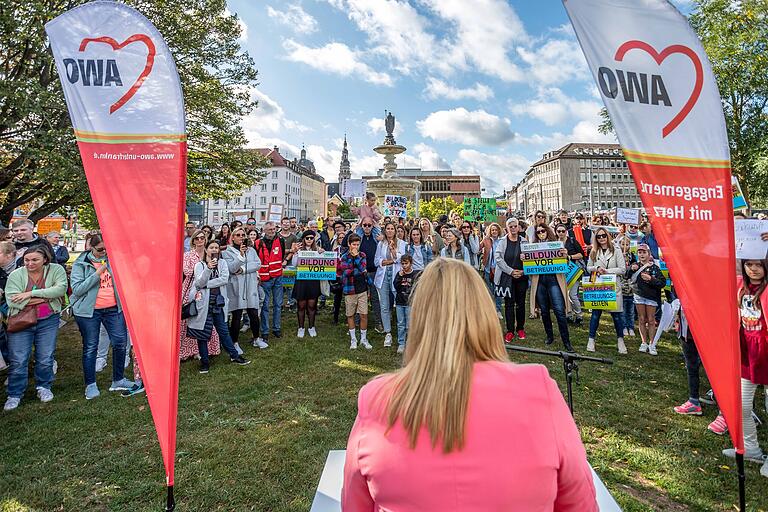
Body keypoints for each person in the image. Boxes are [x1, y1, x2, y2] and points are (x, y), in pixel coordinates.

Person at [341, 258, 598, 510]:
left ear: (420, 320)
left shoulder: (377, 398)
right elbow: (580, 501)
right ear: (484, 312)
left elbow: (354, 503)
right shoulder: (538, 387)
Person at [3, 247, 68, 411]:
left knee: (46, 356)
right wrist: (44, 296)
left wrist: (27, 294)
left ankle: (44, 386)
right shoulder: (16, 275)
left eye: (34, 260)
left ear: (45, 260)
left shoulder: (56, 269)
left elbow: (60, 289)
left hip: (48, 319)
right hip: (21, 321)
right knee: (18, 359)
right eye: (26, 260)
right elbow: (12, 301)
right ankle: (14, 394)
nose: (30, 263)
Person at [70, 234, 134, 399]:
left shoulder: (114, 260)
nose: (104, 252)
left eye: (107, 249)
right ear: (91, 247)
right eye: (100, 250)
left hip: (113, 309)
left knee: (120, 343)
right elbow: (77, 289)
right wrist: (97, 273)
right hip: (89, 312)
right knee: (91, 347)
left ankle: (118, 380)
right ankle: (90, 385)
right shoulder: (81, 264)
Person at [722, 259, 768, 478]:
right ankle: (752, 448)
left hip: (766, 353)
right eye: (749, 264)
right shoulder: (740, 285)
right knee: (742, 404)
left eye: (759, 264)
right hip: (747, 353)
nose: (754, 269)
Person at [185, 240, 250, 373]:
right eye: (211, 247)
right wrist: (208, 269)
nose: (214, 250)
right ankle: (204, 363)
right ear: (206, 250)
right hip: (203, 304)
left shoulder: (222, 263)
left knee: (224, 332)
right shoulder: (200, 265)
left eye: (216, 248)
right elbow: (199, 281)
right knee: (202, 334)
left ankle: (234, 356)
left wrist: (206, 284)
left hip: (218, 303)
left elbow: (224, 279)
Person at [523, 225, 574, 351]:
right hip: (539, 281)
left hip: (553, 280)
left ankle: (566, 341)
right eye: (538, 232)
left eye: (543, 231)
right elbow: (529, 267)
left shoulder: (556, 244)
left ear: (547, 231)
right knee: (544, 311)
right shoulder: (532, 247)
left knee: (559, 311)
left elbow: (565, 263)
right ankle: (549, 336)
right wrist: (524, 259)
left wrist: (565, 255)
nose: (540, 233)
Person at [221, 227, 266, 350]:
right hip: (236, 287)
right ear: (233, 237)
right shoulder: (226, 253)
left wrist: (244, 270)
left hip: (250, 286)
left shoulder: (251, 250)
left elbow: (257, 264)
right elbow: (232, 268)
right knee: (237, 314)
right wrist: (240, 256)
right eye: (238, 235)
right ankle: (234, 343)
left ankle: (256, 338)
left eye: (243, 235)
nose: (241, 237)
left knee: (253, 313)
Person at [179, 230, 221, 360]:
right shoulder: (188, 255)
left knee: (205, 318)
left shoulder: (210, 253)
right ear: (193, 241)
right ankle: (186, 351)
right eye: (197, 238)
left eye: (202, 237)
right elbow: (186, 270)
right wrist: (202, 268)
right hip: (190, 288)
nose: (200, 240)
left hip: (207, 289)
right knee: (188, 317)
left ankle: (205, 349)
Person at [586, 227, 627, 354]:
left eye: (603, 235)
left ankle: (620, 341)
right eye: (599, 236)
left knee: (616, 316)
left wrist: (607, 271)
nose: (602, 238)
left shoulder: (617, 250)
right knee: (595, 315)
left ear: (607, 236)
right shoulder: (594, 251)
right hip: (598, 286)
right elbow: (588, 267)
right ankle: (591, 340)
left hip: (613, 286)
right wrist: (596, 268)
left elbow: (622, 269)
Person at [627, 244, 666, 355]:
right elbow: (626, 275)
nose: (642, 254)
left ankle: (652, 344)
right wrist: (630, 269)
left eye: (644, 252)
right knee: (641, 319)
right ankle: (644, 342)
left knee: (651, 320)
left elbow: (662, 283)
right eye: (640, 252)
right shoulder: (635, 265)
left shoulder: (655, 268)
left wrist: (651, 279)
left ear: (649, 254)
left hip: (652, 297)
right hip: (639, 296)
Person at [494, 217, 528, 342]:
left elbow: (530, 258)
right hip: (508, 277)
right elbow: (498, 258)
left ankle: (520, 328)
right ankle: (510, 330)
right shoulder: (502, 242)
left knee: (521, 303)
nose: (513, 229)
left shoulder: (524, 241)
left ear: (518, 227)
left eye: (515, 226)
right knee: (509, 304)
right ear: (507, 228)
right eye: (511, 226)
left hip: (522, 277)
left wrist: (523, 270)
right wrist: (511, 271)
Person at [255, 222, 289, 343]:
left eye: (273, 229)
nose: (272, 231)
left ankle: (276, 328)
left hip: (277, 277)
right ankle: (265, 331)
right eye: (269, 229)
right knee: (265, 306)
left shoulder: (280, 241)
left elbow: (281, 256)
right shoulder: (258, 243)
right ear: (264, 230)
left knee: (278, 304)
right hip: (264, 279)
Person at [374, 222, 406, 348]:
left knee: (399, 305)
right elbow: (377, 261)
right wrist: (390, 261)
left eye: (392, 228)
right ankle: (388, 333)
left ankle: (401, 332)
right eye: (388, 228)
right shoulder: (381, 244)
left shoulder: (402, 244)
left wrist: (393, 250)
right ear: (385, 230)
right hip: (382, 278)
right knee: (384, 306)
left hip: (396, 277)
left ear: (395, 231)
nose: (390, 231)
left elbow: (401, 259)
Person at [339, 234, 372, 350]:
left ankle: (363, 338)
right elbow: (345, 272)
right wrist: (358, 270)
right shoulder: (344, 257)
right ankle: (353, 339)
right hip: (350, 289)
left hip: (362, 289)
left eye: (358, 245)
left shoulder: (362, 255)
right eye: (354, 244)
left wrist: (356, 258)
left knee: (364, 314)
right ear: (349, 244)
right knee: (350, 314)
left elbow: (363, 268)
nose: (355, 247)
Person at [290, 230, 322, 338]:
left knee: (312, 306)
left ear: (314, 239)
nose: (309, 240)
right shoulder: (299, 250)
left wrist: (323, 253)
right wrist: (295, 253)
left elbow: (325, 261)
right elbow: (294, 264)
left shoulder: (318, 250)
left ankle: (311, 327)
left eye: (311, 238)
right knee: (301, 305)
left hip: (313, 280)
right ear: (303, 239)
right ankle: (301, 327)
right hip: (301, 280)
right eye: (307, 238)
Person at [357, 218, 383, 332]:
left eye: (369, 225)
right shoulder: (358, 237)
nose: (367, 227)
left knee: (375, 298)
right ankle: (357, 323)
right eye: (365, 225)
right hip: (360, 272)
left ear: (373, 226)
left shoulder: (377, 238)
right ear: (361, 226)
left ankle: (378, 322)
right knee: (359, 298)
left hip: (374, 272)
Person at [556, 224, 585, 326]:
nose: (561, 233)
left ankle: (579, 315)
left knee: (572, 294)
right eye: (558, 231)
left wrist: (569, 257)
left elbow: (581, 254)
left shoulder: (572, 241)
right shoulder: (554, 243)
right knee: (563, 294)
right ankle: (568, 315)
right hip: (560, 273)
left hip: (573, 272)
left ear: (566, 231)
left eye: (563, 231)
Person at [393, 254, 419, 355]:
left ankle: (410, 343)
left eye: (406, 263)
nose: (404, 266)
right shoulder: (399, 274)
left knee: (409, 324)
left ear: (411, 263)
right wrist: (399, 276)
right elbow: (396, 287)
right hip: (400, 302)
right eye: (402, 264)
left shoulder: (415, 275)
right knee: (400, 324)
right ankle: (401, 343)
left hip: (409, 303)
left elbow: (416, 288)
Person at [0, 241, 17, 369]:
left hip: (24, 309)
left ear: (10, 255)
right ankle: (8, 362)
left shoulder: (23, 266)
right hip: (4, 309)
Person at [481, 222, 504, 317]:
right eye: (492, 230)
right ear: (490, 231)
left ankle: (498, 309)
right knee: (489, 290)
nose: (494, 231)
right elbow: (476, 248)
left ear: (499, 231)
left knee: (498, 289)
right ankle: (491, 309)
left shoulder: (502, 241)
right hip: (488, 268)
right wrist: (473, 236)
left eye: (496, 230)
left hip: (499, 268)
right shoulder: (486, 240)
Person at [617, 236, 637, 337]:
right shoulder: (617, 254)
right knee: (623, 308)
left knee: (631, 309)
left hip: (631, 285)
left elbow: (635, 266)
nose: (625, 246)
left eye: (627, 244)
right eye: (623, 244)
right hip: (621, 284)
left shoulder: (632, 255)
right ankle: (624, 326)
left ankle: (631, 327)